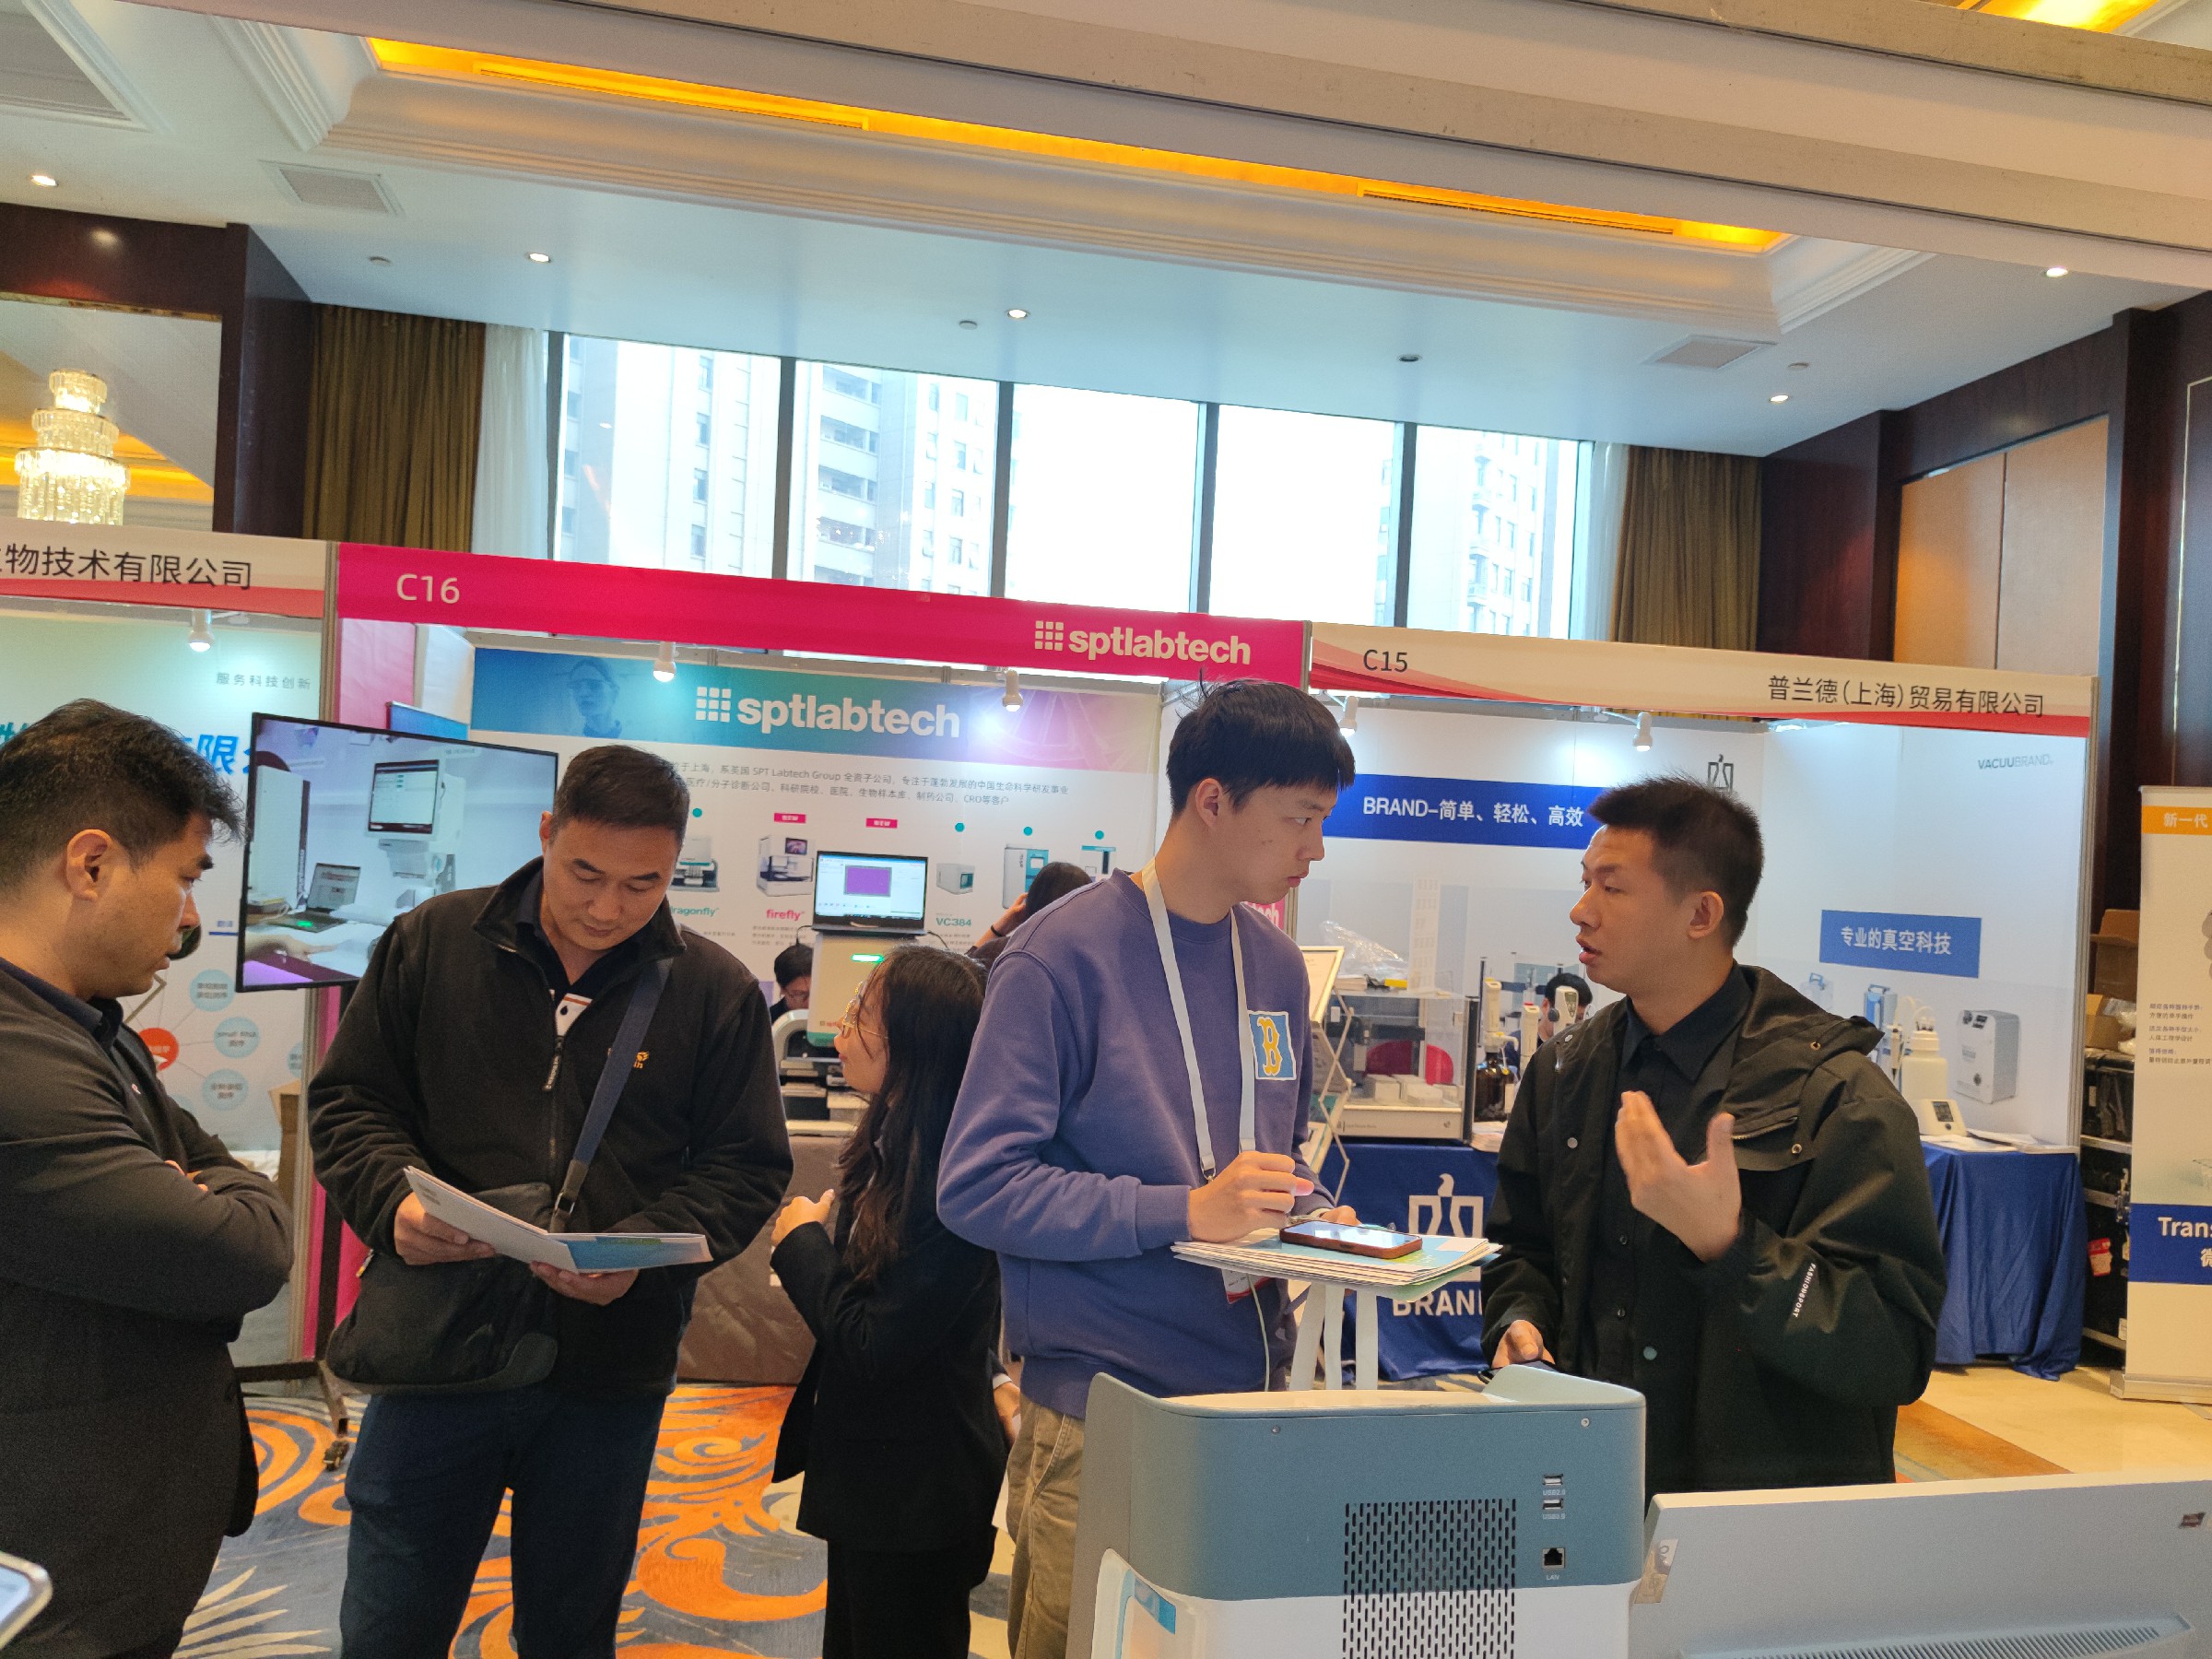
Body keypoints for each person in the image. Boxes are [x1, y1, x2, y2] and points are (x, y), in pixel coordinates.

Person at [309, 744, 792, 1657]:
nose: (608, 908)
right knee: (392, 1619)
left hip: (608, 1367)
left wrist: (639, 1252)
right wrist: (392, 1205)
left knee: (572, 1625)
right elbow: (351, 1103)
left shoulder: (713, 990)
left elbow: (746, 1167)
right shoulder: (433, 942)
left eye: (643, 884)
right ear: (546, 832)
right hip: (436, 1345)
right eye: (586, 874)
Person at [938, 679, 1360, 1659]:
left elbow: (1271, 1153)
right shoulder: (1059, 957)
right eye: (1301, 818)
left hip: (1248, 1403)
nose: (1316, 848)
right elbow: (978, 1185)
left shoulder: (1276, 964)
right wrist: (1182, 1211)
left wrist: (1313, 1212)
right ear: (1213, 800)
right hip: (1106, 1410)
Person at [1482, 777, 1946, 1498]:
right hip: (1590, 1488)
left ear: (1701, 914)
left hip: (1763, 1519)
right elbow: (1525, 1249)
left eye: (1612, 887)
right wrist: (1520, 1321)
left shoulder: (1838, 1097)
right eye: (1584, 881)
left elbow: (1891, 1348)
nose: (1581, 910)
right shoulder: (1566, 1070)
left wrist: (1732, 1247)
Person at [0, 701, 291, 1659]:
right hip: (47, 1577)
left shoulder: (78, 1020)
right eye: (185, 877)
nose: (192, 916)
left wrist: (205, 1181)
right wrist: (219, 1193)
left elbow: (206, 1163)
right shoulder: (17, 1066)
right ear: (91, 865)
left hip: (105, 1538)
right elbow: (241, 1253)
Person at [770, 947, 1005, 1659]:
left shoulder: (947, 1179)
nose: (843, 1027)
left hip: (917, 1490)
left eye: (865, 1013)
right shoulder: (896, 1141)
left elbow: (874, 1343)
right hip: (879, 1474)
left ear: (917, 1045)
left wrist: (801, 1244)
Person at [968, 861, 1090, 970]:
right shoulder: (1091, 957)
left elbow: (961, 975)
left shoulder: (1000, 951)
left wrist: (997, 930)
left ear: (1031, 900)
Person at [1538, 969, 1593, 1044]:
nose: (1571, 1027)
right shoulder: (1522, 1043)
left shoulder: (1578, 1047)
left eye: (1579, 1018)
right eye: (1565, 1017)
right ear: (1545, 1006)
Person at [770, 940, 812, 1018]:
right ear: (782, 989)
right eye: (800, 994)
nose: (809, 1003)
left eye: (814, 993)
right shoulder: (767, 1021)